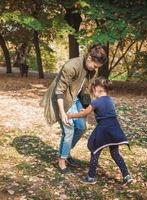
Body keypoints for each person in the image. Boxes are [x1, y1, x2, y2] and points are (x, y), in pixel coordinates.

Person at [41, 45, 107, 174]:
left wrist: (88, 108)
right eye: (95, 66)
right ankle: (62, 160)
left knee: (81, 127)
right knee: (69, 128)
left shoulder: (92, 71)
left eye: (97, 67)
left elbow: (86, 90)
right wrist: (62, 113)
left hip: (75, 99)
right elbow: (59, 91)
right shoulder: (71, 66)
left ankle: (66, 152)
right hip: (62, 99)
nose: (95, 69)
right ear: (89, 58)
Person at [67, 77, 133, 185]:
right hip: (114, 129)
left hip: (103, 130)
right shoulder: (110, 100)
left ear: (98, 89)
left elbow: (84, 114)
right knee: (115, 153)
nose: (93, 93)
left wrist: (70, 115)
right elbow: (103, 113)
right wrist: (87, 110)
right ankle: (126, 175)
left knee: (95, 150)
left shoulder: (96, 102)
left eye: (93, 90)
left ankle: (91, 177)